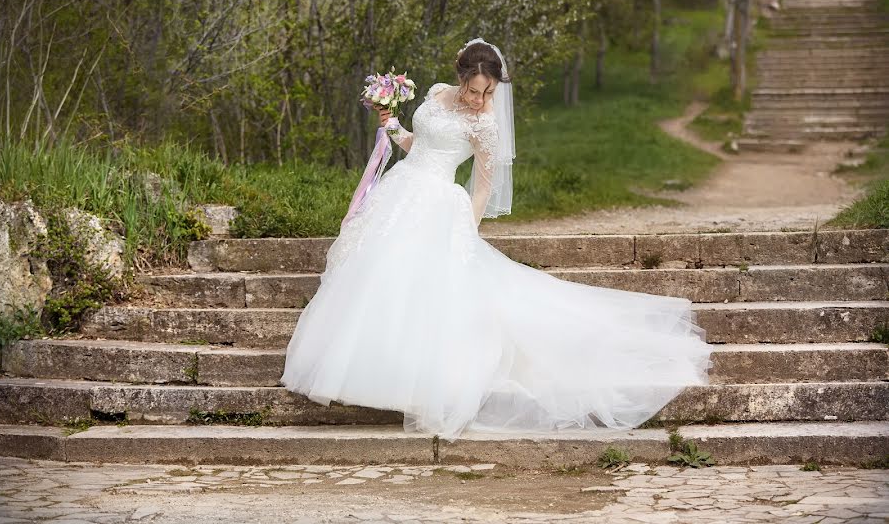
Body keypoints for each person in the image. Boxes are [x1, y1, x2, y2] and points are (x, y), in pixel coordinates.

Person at [280, 38, 712, 440]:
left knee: (423, 287)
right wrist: (390, 124)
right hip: (400, 190)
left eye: (487, 93)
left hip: (439, 204)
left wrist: (466, 229)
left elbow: (483, 186)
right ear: (459, 74)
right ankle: (367, 369)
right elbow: (418, 145)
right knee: (375, 278)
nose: (478, 100)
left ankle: (415, 380)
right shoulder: (433, 94)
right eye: (472, 90)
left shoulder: (485, 124)